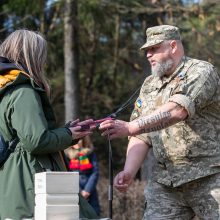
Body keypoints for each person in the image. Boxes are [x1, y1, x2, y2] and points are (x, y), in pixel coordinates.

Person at [99, 25, 220, 219]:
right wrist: (129, 171)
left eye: (154, 48)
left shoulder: (201, 71)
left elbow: (178, 110)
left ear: (173, 46)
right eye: (146, 50)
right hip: (166, 183)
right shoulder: (149, 84)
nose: (148, 55)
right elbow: (141, 134)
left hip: (210, 176)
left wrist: (130, 127)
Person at [0, 30, 96, 220]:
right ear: (31, 55)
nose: (44, 62)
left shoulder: (5, 88)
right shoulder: (23, 91)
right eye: (42, 55)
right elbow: (35, 141)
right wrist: (68, 134)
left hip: (9, 181)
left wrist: (67, 132)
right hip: (29, 184)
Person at [65, 135, 101, 216]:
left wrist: (87, 190)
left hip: (90, 190)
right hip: (74, 189)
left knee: (93, 214)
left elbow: (95, 172)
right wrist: (79, 191)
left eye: (80, 139)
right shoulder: (67, 155)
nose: (78, 141)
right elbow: (67, 173)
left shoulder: (90, 153)